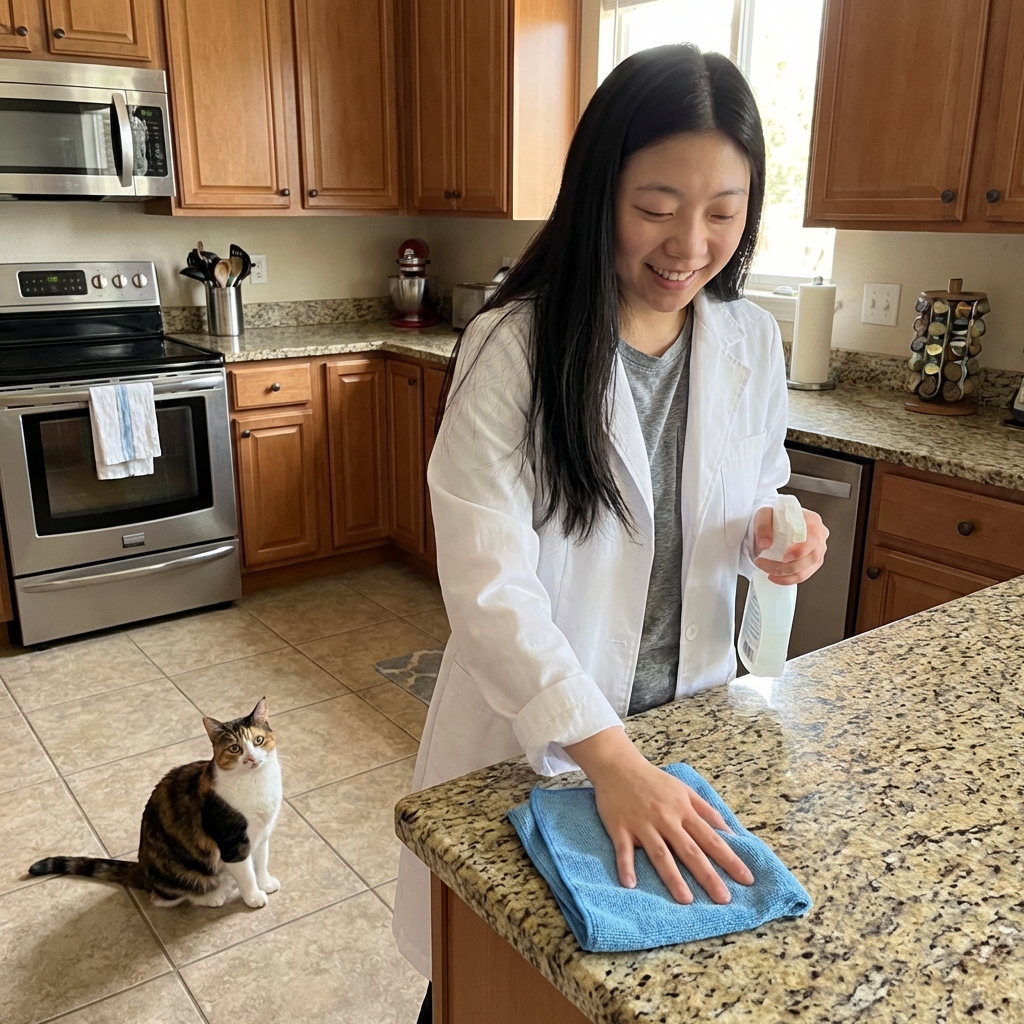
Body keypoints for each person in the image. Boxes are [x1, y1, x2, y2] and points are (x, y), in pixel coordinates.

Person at [394, 43, 829, 1022]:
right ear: (601, 191)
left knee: (645, 986)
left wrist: (773, 535)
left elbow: (749, 490)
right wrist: (609, 758)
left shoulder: (749, 338)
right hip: (538, 740)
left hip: (684, 730)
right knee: (491, 982)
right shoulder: (513, 346)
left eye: (724, 211)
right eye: (657, 205)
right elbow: (488, 585)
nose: (689, 243)